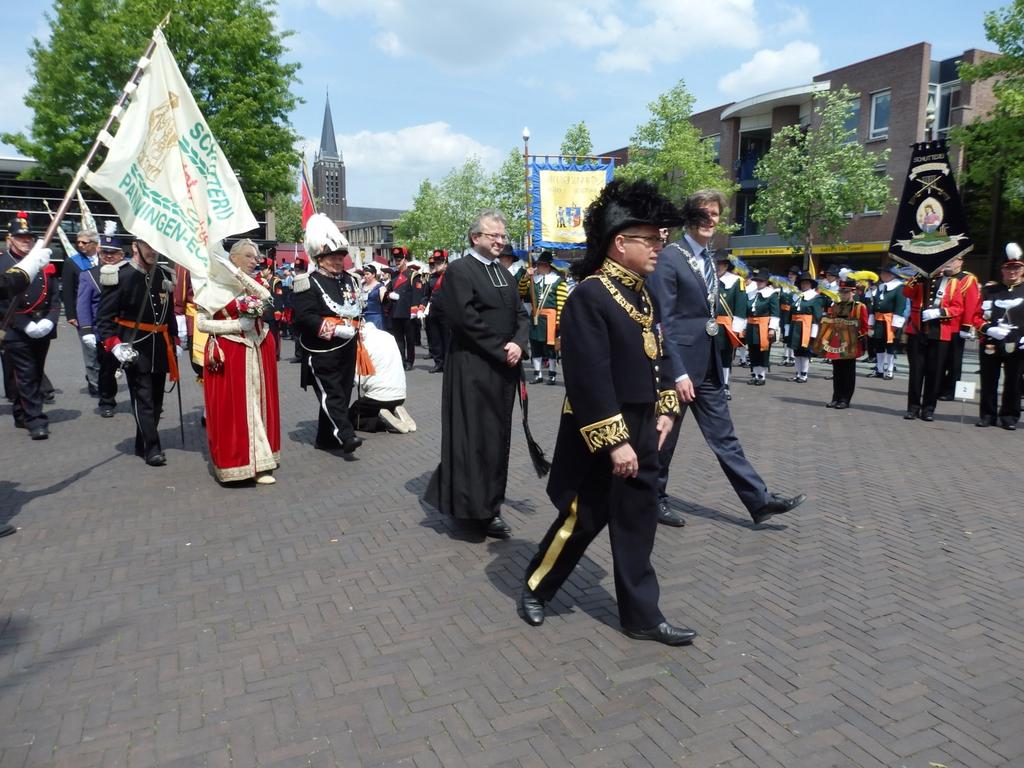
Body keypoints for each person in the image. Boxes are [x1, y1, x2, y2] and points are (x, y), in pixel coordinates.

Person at [519, 179, 695, 644]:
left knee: (638, 522)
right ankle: (537, 586)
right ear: (621, 243)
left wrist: (665, 410)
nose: (660, 246)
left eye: (661, 238)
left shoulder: (644, 294)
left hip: (643, 424)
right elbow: (588, 377)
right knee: (584, 518)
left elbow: (656, 358)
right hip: (601, 427)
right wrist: (616, 442)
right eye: (651, 239)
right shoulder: (590, 295)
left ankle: (641, 616)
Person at [648, 190, 806, 529]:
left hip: (707, 365)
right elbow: (664, 321)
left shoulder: (707, 258)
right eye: (704, 214)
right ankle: (652, 498)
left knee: (725, 436)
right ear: (690, 217)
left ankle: (759, 500)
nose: (711, 221)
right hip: (678, 369)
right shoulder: (670, 257)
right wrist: (677, 373)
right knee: (665, 437)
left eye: (716, 215)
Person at [424, 209, 529, 539]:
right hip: (472, 367)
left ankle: (491, 503)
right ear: (475, 238)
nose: (500, 241)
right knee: (473, 438)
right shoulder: (460, 271)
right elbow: (466, 321)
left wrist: (518, 344)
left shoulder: (505, 273)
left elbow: (521, 316)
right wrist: (502, 348)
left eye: (503, 235)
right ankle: (473, 509)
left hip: (504, 368)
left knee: (498, 438)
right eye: (493, 235)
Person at [196, 239, 281, 483]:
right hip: (231, 349)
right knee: (237, 407)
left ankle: (262, 458)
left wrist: (237, 273)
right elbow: (201, 323)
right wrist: (236, 325)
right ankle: (240, 463)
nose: (256, 261)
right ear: (233, 257)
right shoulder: (211, 286)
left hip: (258, 347)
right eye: (249, 256)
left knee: (259, 403)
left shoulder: (252, 284)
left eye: (256, 257)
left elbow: (265, 297)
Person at [96, 237, 178, 466]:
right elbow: (103, 318)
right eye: (148, 246)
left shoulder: (164, 275)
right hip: (133, 345)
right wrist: (114, 344)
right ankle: (153, 448)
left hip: (160, 346)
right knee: (144, 399)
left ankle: (142, 443)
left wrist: (175, 339)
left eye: (156, 246)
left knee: (158, 401)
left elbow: (168, 313)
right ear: (135, 246)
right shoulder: (119, 275)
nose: (153, 251)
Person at [291, 214, 364, 454]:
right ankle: (346, 435)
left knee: (342, 392)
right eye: (332, 257)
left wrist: (359, 327)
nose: (338, 261)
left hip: (348, 346)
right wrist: (333, 329)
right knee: (331, 393)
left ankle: (325, 438)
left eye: (340, 257)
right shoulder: (307, 283)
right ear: (319, 259)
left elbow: (356, 308)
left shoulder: (349, 280)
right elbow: (304, 317)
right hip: (322, 349)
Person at [0, 212, 61, 440]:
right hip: (16, 328)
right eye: (21, 237)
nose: (26, 241)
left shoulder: (43, 262)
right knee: (26, 374)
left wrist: (50, 319)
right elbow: (4, 302)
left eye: (29, 237)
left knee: (34, 372)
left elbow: (55, 295)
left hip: (42, 325)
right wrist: (24, 323)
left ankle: (20, 413)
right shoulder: (2, 263)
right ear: (10, 239)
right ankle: (36, 420)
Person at [902, 262, 964, 421]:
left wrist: (940, 312)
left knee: (935, 373)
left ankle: (929, 408)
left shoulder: (951, 282)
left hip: (939, 334)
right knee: (916, 373)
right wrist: (918, 275)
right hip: (917, 331)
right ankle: (913, 408)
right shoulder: (919, 280)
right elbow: (906, 292)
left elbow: (958, 308)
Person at [972, 242, 1024, 430]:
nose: (1012, 272)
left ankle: (1009, 417)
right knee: (988, 380)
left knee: (1014, 381)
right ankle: (987, 415)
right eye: (1008, 268)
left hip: (1018, 344)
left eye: (1016, 267)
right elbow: (975, 316)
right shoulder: (989, 291)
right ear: (1002, 270)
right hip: (991, 342)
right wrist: (987, 329)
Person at [78, 234, 129, 418]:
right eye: (104, 252)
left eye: (113, 253)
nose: (108, 256)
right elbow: (83, 304)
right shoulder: (89, 276)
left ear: (121, 255)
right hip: (104, 331)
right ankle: (107, 400)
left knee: (136, 367)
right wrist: (86, 330)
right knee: (107, 369)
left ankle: (143, 398)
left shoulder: (128, 274)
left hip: (128, 329)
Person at [349, 321, 416, 433]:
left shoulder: (361, 344)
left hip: (378, 397)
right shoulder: (388, 336)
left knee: (352, 416)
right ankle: (396, 410)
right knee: (381, 408)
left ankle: (383, 423)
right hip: (400, 395)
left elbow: (357, 379)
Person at [816, 278, 870, 408]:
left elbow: (864, 326)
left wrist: (855, 336)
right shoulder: (836, 306)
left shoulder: (859, 307)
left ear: (853, 292)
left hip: (851, 344)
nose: (843, 295)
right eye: (841, 292)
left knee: (848, 372)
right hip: (836, 343)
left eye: (846, 292)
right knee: (837, 371)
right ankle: (836, 397)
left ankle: (845, 399)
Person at [62, 227, 101, 396]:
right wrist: (71, 315)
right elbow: (68, 291)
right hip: (84, 314)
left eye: (84, 242)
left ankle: (103, 378)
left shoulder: (104, 259)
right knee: (90, 351)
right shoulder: (72, 262)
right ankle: (94, 383)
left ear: (94, 244)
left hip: (104, 313)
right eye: (78, 242)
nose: (80, 245)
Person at [939, 255, 981, 400]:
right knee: (939, 360)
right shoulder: (941, 277)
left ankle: (950, 390)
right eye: (948, 259)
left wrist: (966, 327)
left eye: (953, 259)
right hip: (939, 326)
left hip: (956, 326)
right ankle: (937, 387)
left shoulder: (968, 279)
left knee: (954, 361)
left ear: (960, 262)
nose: (949, 262)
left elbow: (970, 304)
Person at [522, 251, 568, 385]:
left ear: (549, 266)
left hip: (551, 319)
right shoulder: (532, 280)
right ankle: (538, 374)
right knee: (535, 346)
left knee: (550, 349)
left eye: (542, 265)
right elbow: (521, 291)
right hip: (535, 318)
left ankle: (552, 374)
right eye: (539, 265)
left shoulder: (558, 281)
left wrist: (559, 323)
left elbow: (562, 303)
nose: (540, 267)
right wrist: (526, 276)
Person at [713, 251, 747, 401]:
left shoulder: (736, 281)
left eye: (721, 264)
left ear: (726, 266)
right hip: (709, 324)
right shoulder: (708, 279)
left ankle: (724, 385)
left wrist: (736, 329)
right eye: (716, 263)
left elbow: (740, 307)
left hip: (726, 325)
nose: (718, 266)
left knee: (725, 357)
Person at [386, 246, 424, 370]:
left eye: (399, 259)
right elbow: (389, 290)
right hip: (396, 311)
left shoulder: (414, 275)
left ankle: (410, 361)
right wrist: (389, 295)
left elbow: (417, 294)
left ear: (405, 260)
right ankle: (401, 360)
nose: (397, 262)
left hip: (407, 312)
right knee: (398, 339)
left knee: (410, 339)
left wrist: (415, 309)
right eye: (395, 259)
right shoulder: (394, 275)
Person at [866, 264, 907, 380]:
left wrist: (895, 324)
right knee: (878, 345)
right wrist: (871, 320)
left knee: (890, 346)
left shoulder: (900, 287)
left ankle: (889, 370)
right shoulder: (881, 287)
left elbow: (900, 306)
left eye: (883, 273)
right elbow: (875, 305)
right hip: (879, 320)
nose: (881, 275)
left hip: (891, 321)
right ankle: (879, 369)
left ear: (891, 275)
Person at [785, 272, 825, 384]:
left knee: (805, 352)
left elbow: (817, 317)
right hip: (795, 326)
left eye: (806, 283)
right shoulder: (796, 296)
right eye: (802, 283)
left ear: (811, 284)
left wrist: (813, 333)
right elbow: (790, 315)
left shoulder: (816, 298)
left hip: (807, 327)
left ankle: (804, 374)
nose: (804, 285)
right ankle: (797, 373)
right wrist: (788, 331)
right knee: (796, 351)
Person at [744, 268, 780, 386]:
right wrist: (744, 327)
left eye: (761, 281)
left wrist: (772, 328)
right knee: (752, 350)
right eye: (757, 280)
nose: (759, 282)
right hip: (751, 325)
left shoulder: (771, 294)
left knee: (763, 351)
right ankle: (754, 374)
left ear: (766, 282)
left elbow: (775, 313)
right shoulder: (751, 293)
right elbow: (746, 312)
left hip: (764, 326)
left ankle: (761, 376)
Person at [424, 249, 449, 373]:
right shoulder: (432, 277)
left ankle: (448, 364)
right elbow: (426, 295)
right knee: (436, 340)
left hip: (447, 313)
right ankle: (438, 363)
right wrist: (422, 308)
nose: (436, 265)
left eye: (439, 262)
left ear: (445, 262)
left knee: (447, 339)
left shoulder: (451, 275)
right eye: (436, 262)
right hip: (433, 313)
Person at [360, 263, 386, 330]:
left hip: (376, 318)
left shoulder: (381, 287)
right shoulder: (361, 286)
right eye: (364, 274)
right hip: (363, 319)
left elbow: (385, 304)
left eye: (367, 274)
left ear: (374, 274)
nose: (365, 276)